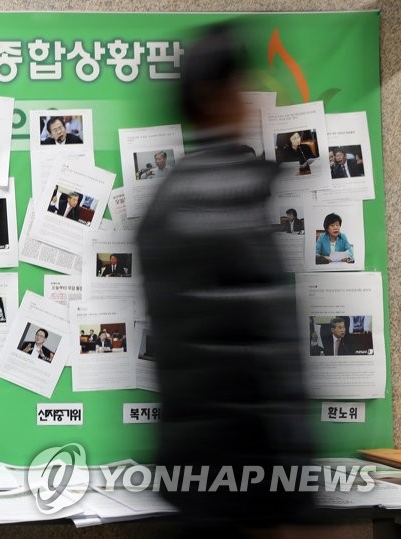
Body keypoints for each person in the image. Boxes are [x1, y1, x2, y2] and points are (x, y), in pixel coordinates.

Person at [137, 24, 314, 536]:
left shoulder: (163, 204)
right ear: (217, 96)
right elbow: (268, 361)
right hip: (250, 483)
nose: (250, 99)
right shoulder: (233, 201)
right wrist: (297, 492)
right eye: (242, 86)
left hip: (192, 473)